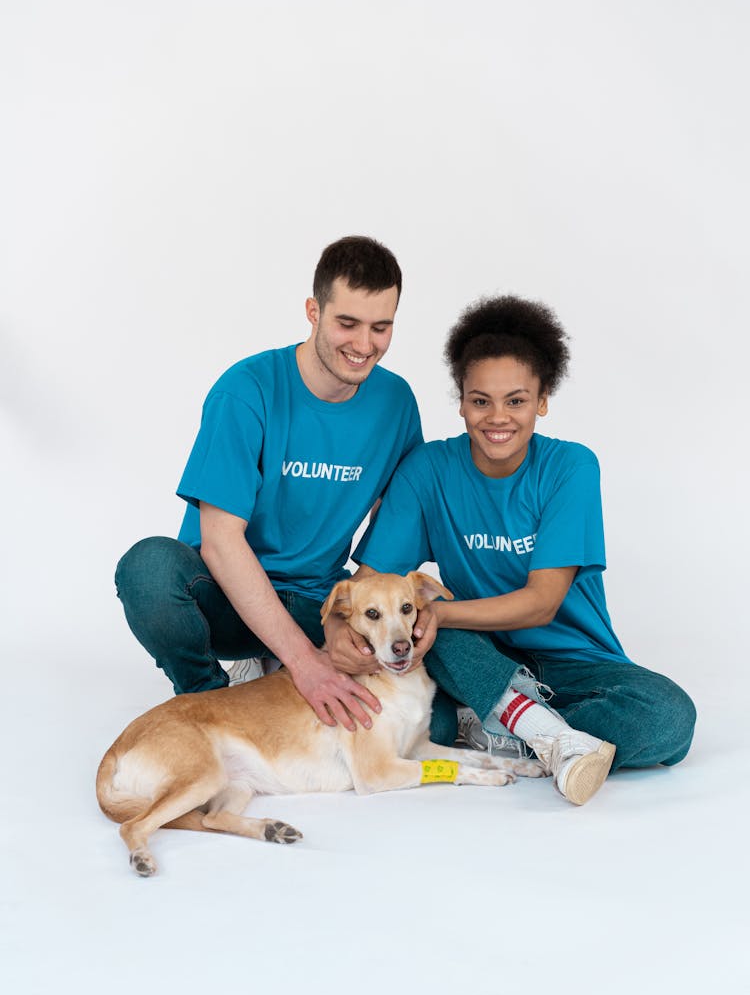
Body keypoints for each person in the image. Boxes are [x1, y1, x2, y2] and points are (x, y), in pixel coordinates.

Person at [342, 295, 696, 804]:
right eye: (480, 400)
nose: (497, 418)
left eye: (516, 400)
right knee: (420, 657)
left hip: (576, 663)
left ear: (542, 400)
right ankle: (548, 738)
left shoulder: (570, 468)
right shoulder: (426, 471)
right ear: (461, 400)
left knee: (669, 720)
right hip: (470, 652)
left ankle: (510, 723)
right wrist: (337, 631)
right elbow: (369, 586)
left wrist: (437, 614)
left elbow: (541, 602)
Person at [114, 236, 428, 731]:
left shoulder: (396, 402)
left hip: (318, 601)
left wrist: (354, 618)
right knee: (147, 569)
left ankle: (274, 665)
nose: (364, 345)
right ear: (313, 311)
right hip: (227, 599)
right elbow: (219, 543)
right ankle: (209, 700)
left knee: (442, 668)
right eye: (347, 323)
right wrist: (307, 665)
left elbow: (398, 522)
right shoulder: (246, 390)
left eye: (380, 327)